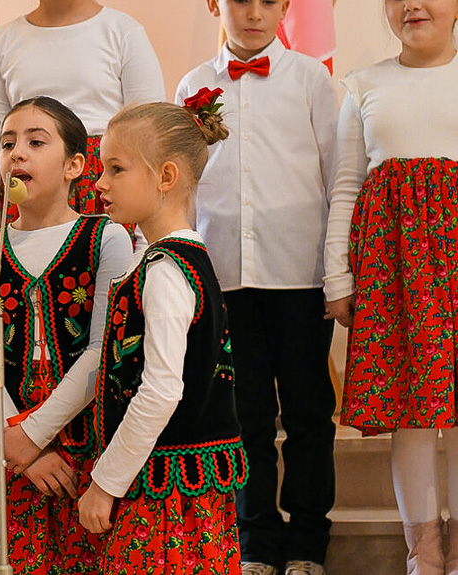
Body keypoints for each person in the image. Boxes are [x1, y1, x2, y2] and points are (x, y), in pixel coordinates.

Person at [176, 2, 339, 573]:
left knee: (308, 413)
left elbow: (336, 175)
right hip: (224, 279)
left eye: (269, 0)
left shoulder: (312, 79)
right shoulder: (193, 86)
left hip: (298, 272)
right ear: (215, 4)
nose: (254, 12)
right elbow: (185, 187)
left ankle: (307, 543)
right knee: (242, 418)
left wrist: (334, 270)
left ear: (286, 6)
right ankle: (255, 543)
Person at [0, 96, 132, 573]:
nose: (17, 153)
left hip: (83, 435)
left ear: (75, 164)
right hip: (10, 433)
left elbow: (102, 349)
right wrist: (20, 449)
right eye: (7, 143)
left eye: (36, 142)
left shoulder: (107, 237)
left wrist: (31, 436)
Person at [79, 97, 245, 574]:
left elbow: (161, 390)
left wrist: (105, 482)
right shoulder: (188, 260)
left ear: (166, 177)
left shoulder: (165, 269)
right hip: (183, 488)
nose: (100, 183)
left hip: (164, 497)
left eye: (116, 168)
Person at [323, 1, 458, 572]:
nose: (412, 5)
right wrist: (337, 275)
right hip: (394, 269)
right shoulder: (365, 84)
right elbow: (346, 188)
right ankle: (423, 554)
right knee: (410, 410)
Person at [0, 0, 165, 231]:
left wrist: (147, 235)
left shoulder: (124, 32)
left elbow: (149, 138)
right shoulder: (1, 43)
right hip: (28, 193)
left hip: (105, 189)